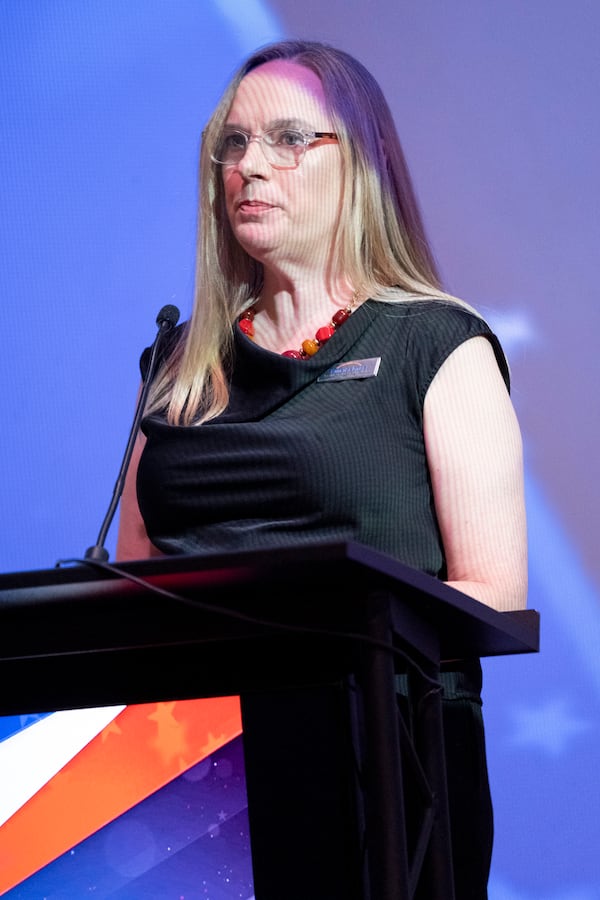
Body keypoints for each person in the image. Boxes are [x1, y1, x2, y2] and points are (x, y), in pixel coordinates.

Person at [116, 39, 527, 898]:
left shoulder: (434, 344)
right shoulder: (178, 366)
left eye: (287, 139)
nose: (248, 167)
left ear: (361, 165)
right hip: (183, 780)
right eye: (232, 144)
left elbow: (490, 589)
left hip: (381, 757)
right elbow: (133, 582)